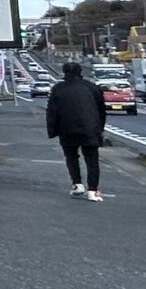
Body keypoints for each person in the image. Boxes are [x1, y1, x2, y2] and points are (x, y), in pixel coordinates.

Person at [45, 60, 108, 201]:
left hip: (67, 129)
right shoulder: (92, 88)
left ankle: (77, 184)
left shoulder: (58, 88)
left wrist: (52, 131)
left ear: (64, 72)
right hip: (90, 129)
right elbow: (101, 110)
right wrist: (100, 128)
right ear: (81, 72)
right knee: (92, 160)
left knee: (71, 157)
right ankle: (93, 190)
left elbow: (52, 112)